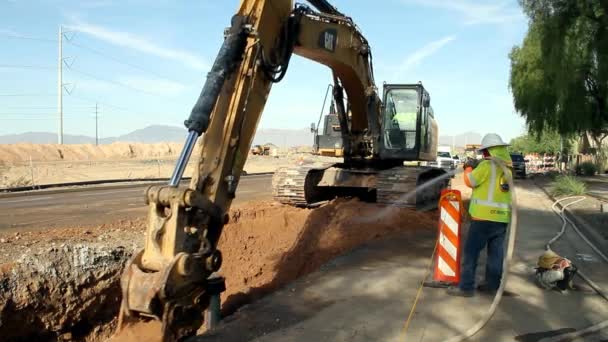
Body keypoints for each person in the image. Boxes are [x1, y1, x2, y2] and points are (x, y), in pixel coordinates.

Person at [447, 133, 513, 297]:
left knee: (471, 253)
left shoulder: (486, 166)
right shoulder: (508, 170)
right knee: (495, 255)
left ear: (489, 151)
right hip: (501, 219)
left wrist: (468, 167)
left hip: (483, 219)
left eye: (485, 152)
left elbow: (470, 181)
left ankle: (466, 287)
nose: (483, 155)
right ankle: (492, 286)